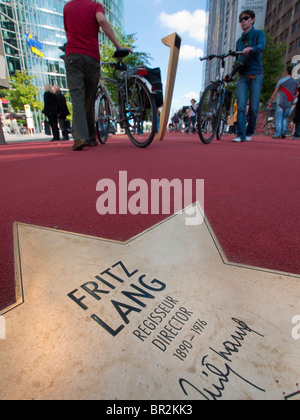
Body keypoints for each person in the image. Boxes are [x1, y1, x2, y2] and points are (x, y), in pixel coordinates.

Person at [63, 0, 133, 151]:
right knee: (89, 98)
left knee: (77, 98)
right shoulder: (95, 6)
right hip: (91, 57)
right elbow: (101, 20)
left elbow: (68, 33)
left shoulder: (67, 7)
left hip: (73, 55)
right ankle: (90, 137)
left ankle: (81, 137)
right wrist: (118, 45)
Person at [225, 10, 266, 143]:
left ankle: (250, 131)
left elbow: (262, 46)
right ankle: (240, 134)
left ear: (252, 19)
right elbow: (238, 62)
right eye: (241, 20)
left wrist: (252, 49)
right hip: (242, 76)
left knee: (253, 108)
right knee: (241, 107)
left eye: (246, 18)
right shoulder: (239, 42)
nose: (243, 22)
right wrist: (231, 75)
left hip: (256, 75)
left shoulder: (259, 34)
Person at [268, 65, 298, 139]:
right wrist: (293, 99)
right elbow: (296, 93)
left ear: (287, 71)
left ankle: (278, 134)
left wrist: (271, 101)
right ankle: (284, 131)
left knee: (279, 117)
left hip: (281, 100)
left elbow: (275, 92)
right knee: (285, 117)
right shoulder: (295, 82)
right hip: (289, 102)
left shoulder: (281, 80)